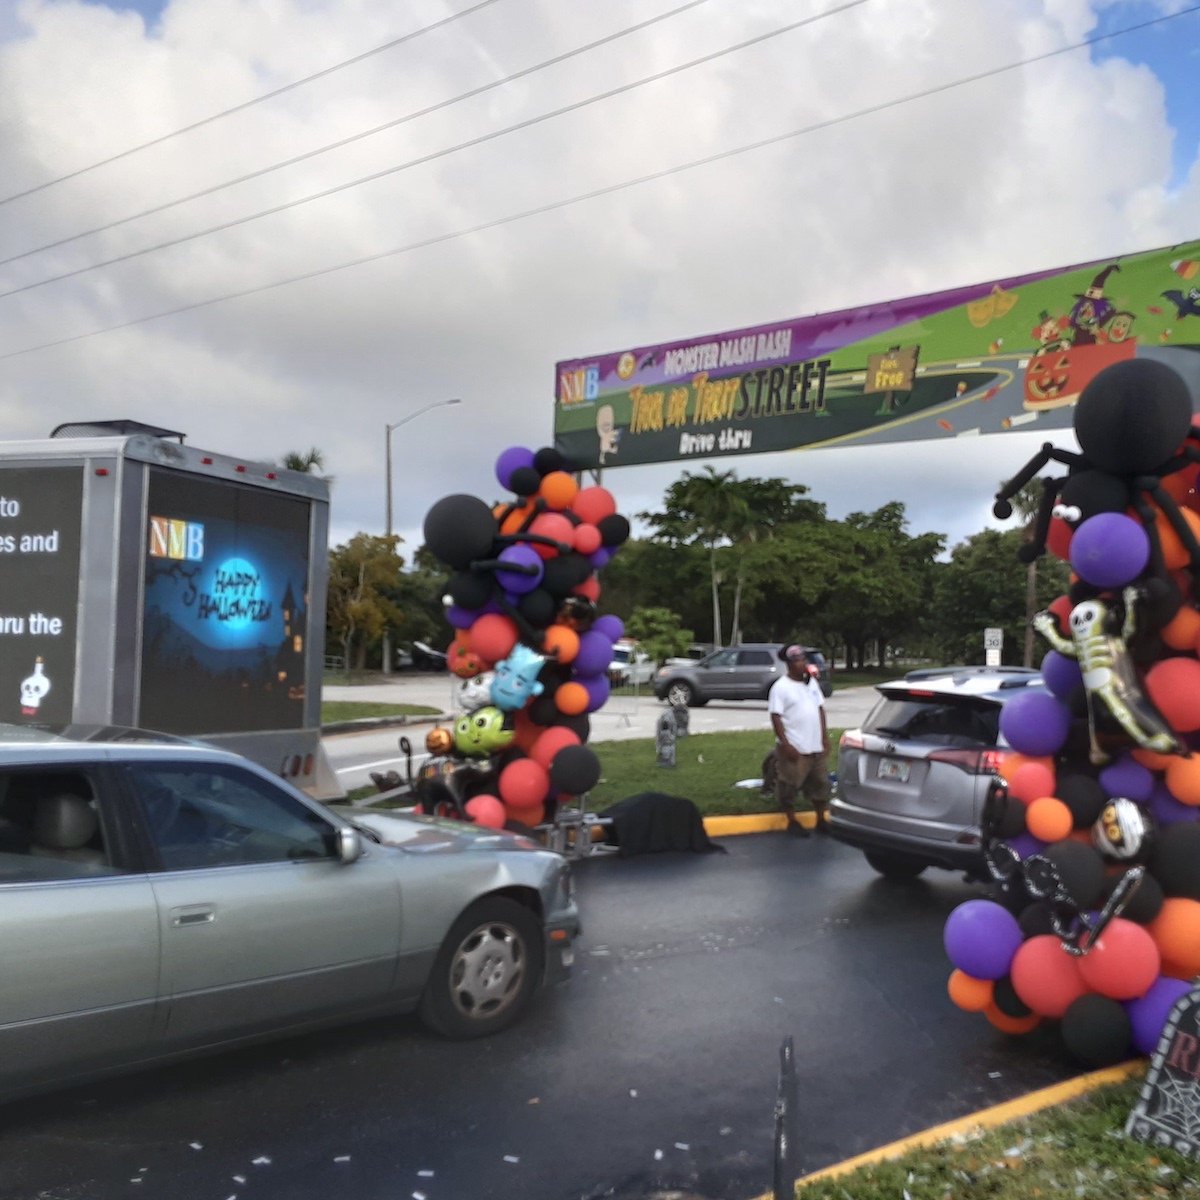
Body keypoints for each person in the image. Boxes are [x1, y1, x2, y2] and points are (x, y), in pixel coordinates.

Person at [768, 645, 831, 837]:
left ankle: (821, 819)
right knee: (789, 785)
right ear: (788, 664)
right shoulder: (780, 687)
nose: (802, 663)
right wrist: (785, 744)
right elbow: (776, 717)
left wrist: (824, 738)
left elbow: (819, 709)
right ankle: (792, 821)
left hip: (815, 746)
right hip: (795, 747)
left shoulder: (810, 683)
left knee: (820, 784)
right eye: (797, 660)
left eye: (803, 659)